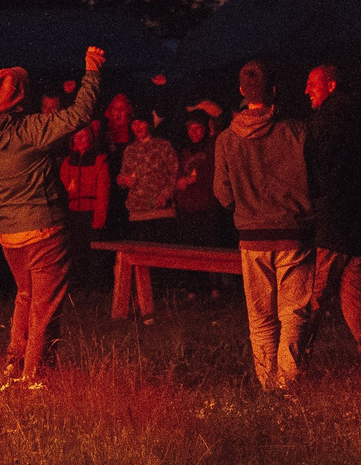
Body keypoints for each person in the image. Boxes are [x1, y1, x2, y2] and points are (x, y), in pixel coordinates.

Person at [0, 46, 107, 382]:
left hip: (9, 235)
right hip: (44, 230)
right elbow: (81, 113)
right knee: (44, 306)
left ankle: (15, 361)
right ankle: (33, 376)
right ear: (21, 98)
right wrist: (92, 70)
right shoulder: (31, 129)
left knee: (25, 295)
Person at [213, 62, 315, 391]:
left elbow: (221, 192)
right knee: (294, 312)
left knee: (260, 317)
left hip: (252, 237)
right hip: (292, 233)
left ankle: (268, 385)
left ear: (242, 91)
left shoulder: (226, 139)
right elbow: (316, 179)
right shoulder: (297, 131)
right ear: (273, 90)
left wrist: (246, 210)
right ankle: (288, 383)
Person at [301, 65, 361, 365]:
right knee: (357, 296)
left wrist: (313, 203)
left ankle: (292, 366)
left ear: (331, 86)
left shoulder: (324, 121)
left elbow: (317, 170)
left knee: (312, 297)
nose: (306, 90)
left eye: (313, 84)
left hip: (332, 224)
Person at [114, 115, 180, 322]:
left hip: (161, 211)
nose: (138, 127)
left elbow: (174, 174)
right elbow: (124, 175)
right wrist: (123, 180)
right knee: (142, 261)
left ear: (149, 124)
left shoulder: (163, 146)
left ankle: (167, 299)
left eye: (141, 122)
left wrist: (166, 195)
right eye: (134, 123)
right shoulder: (130, 150)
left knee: (162, 257)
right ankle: (144, 301)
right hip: (138, 212)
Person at [59, 126, 111, 282]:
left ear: (91, 137)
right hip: (73, 212)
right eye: (77, 136)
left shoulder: (99, 161)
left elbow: (103, 193)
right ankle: (78, 284)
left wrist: (99, 218)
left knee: (93, 251)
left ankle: (95, 285)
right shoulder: (68, 161)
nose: (80, 139)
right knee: (75, 250)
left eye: (84, 135)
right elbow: (63, 188)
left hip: (91, 212)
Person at [175, 113, 226, 251]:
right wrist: (180, 183)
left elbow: (214, 171)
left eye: (197, 128)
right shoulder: (185, 152)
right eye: (190, 129)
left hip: (207, 210)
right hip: (187, 210)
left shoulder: (212, 148)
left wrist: (196, 178)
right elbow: (178, 176)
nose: (193, 132)